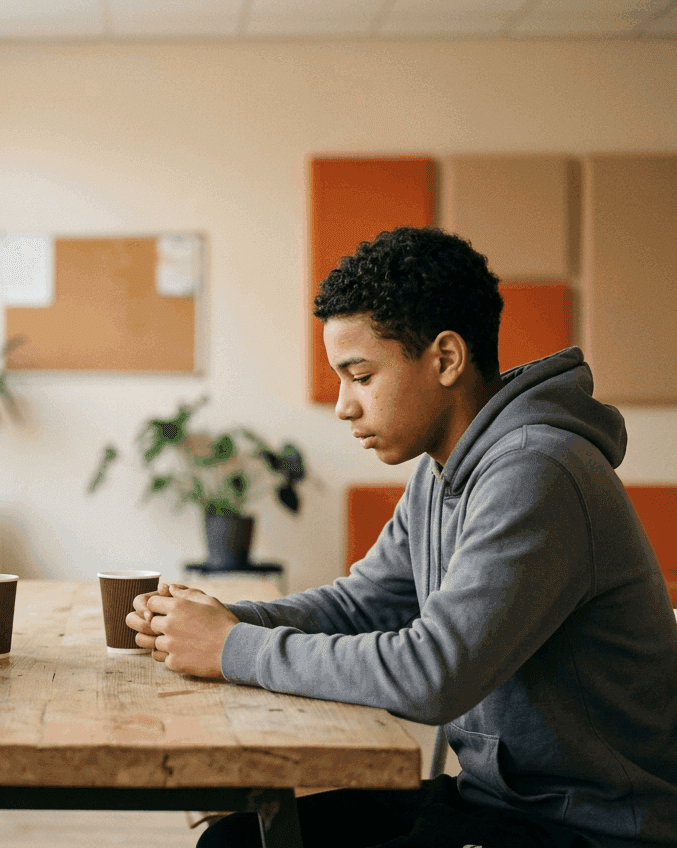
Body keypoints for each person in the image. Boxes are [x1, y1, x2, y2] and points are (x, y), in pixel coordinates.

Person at [128, 226, 677, 847]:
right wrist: (224, 618)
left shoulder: (537, 471)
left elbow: (431, 674)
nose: (342, 406)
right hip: (495, 804)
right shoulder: (443, 470)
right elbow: (362, 605)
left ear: (445, 359)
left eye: (360, 376)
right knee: (238, 842)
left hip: (589, 830)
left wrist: (234, 648)